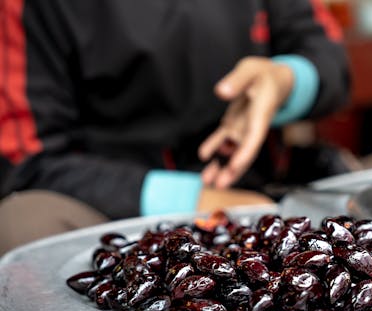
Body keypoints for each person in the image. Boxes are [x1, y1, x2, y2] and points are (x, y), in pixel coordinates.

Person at [0, 0, 350, 258]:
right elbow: (23, 157)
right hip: (114, 213)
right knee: (23, 223)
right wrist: (190, 199)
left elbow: (328, 56)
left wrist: (287, 80)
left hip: (266, 195)